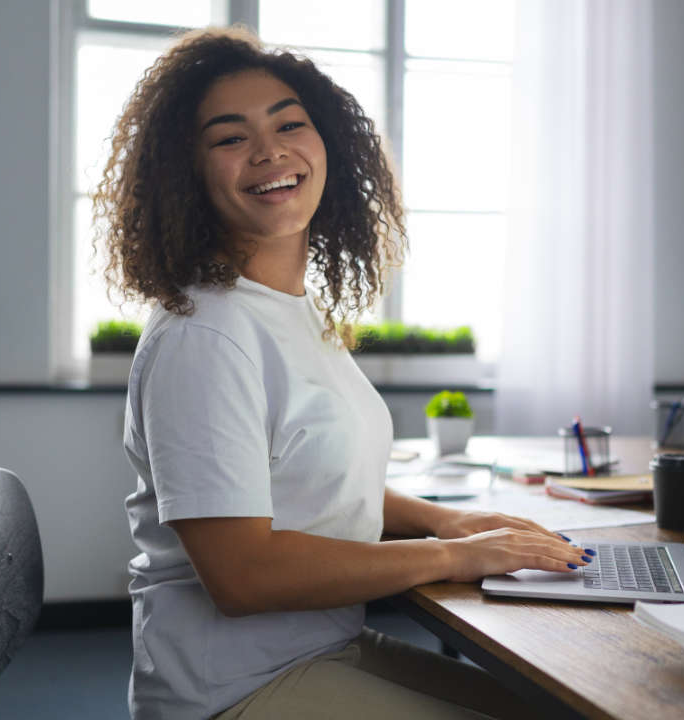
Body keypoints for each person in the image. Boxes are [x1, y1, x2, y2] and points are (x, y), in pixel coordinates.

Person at [93, 26, 592, 720]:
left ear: (326, 143)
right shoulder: (204, 335)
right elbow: (242, 575)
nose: (270, 151)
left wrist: (449, 524)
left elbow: (318, 478)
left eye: (289, 124)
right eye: (230, 137)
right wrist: (454, 558)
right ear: (188, 173)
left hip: (320, 647)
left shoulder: (289, 312)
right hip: (232, 691)